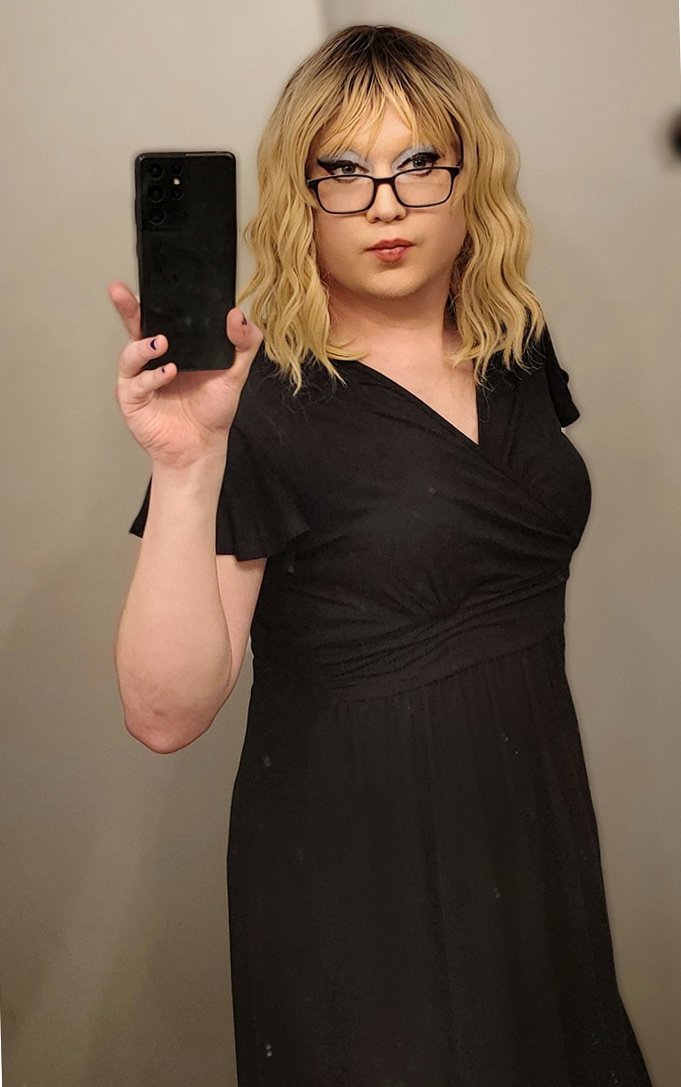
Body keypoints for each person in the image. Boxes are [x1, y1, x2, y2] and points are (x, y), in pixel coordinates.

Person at [110, 23, 654, 1087]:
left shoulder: (514, 347)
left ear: (467, 176)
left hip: (531, 834)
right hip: (357, 870)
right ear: (300, 196)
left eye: (417, 164)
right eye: (345, 172)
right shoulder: (258, 402)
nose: (386, 205)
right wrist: (186, 465)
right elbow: (164, 714)